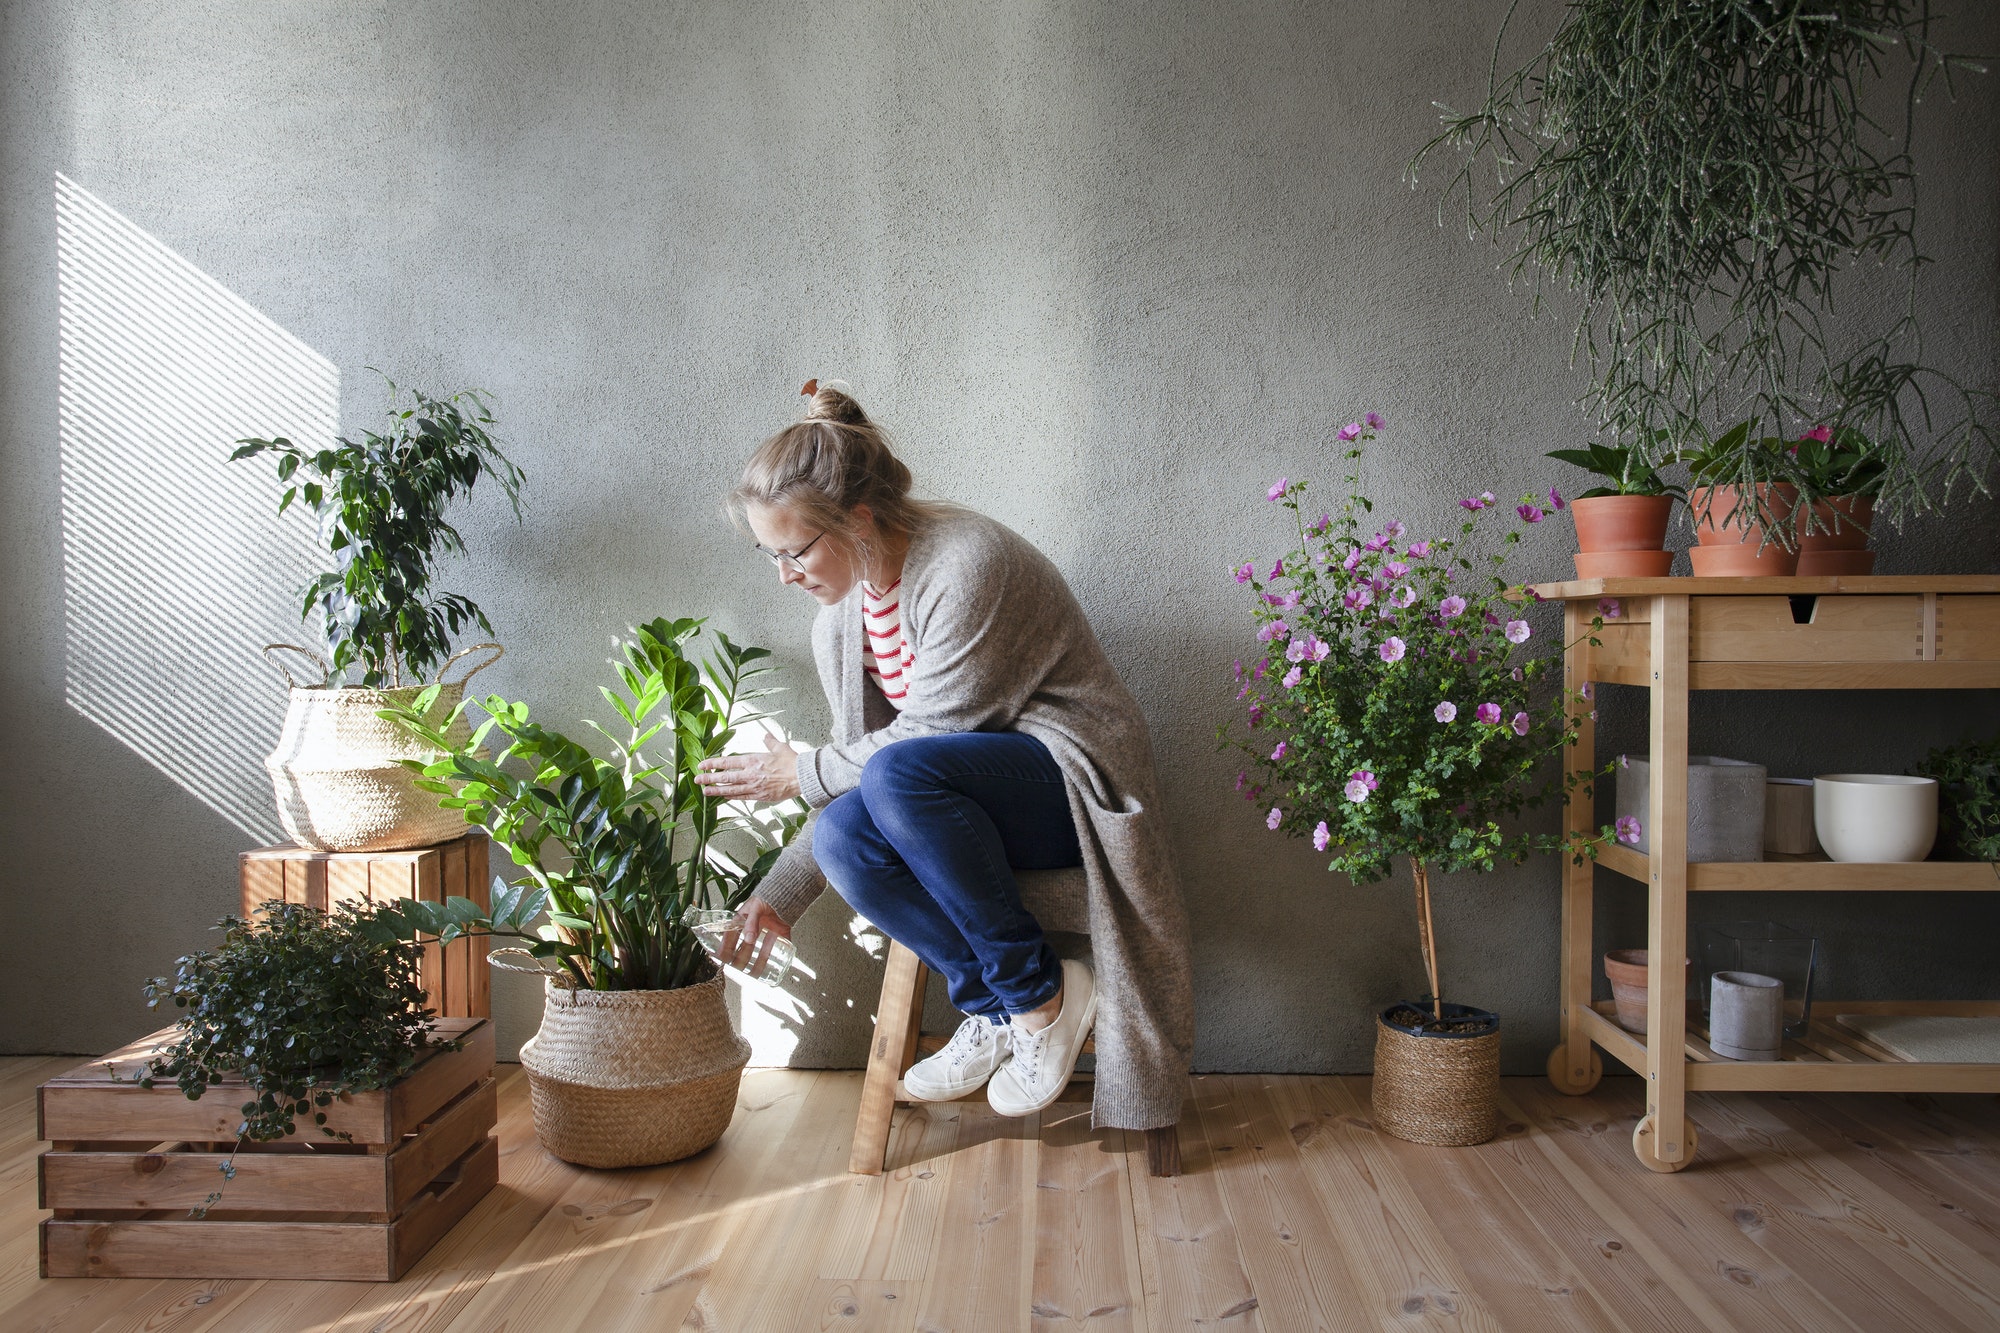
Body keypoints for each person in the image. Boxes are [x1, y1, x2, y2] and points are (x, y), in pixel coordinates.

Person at [695, 380, 1193, 1130]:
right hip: (954, 800)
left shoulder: (968, 566)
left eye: (794, 550)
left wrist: (797, 770)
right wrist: (780, 892)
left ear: (858, 519)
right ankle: (1002, 1005)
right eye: (770, 555)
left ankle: (1037, 999)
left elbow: (915, 745)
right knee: (842, 834)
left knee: (900, 772)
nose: (784, 575)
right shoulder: (842, 621)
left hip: (1072, 788)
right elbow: (855, 775)